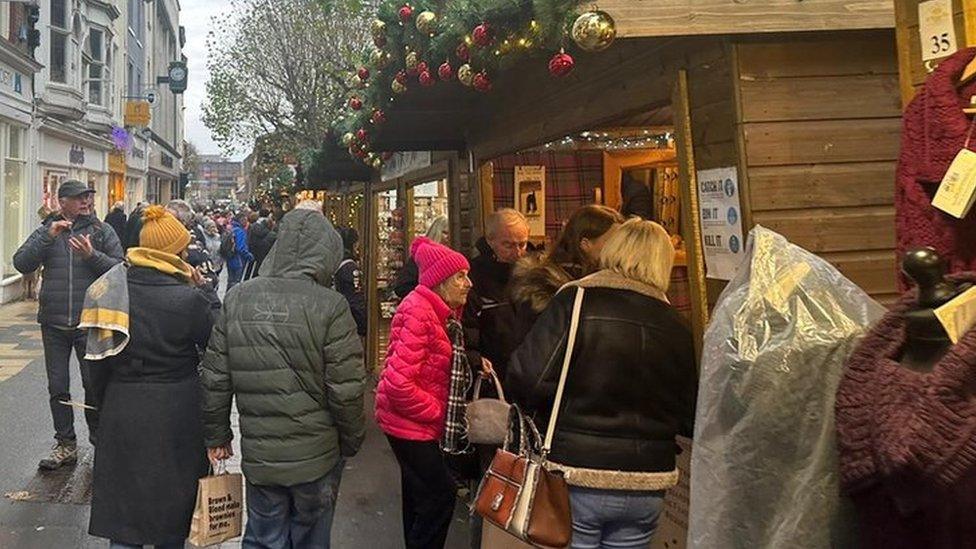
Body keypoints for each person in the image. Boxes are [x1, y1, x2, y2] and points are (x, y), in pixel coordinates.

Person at [507, 218, 698, 549]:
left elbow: (527, 376)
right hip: (648, 481)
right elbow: (690, 414)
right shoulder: (678, 325)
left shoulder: (578, 300)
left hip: (578, 473)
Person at [201, 204, 366, 549]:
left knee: (263, 538)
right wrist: (350, 440)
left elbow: (216, 376)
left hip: (261, 455)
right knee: (311, 539)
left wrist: (217, 434)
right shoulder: (331, 306)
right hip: (317, 454)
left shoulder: (238, 298)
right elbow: (346, 389)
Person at [87, 206, 214, 549]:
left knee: (124, 516)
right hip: (177, 412)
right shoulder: (189, 299)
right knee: (172, 517)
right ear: (172, 253)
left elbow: (95, 365)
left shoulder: (110, 291)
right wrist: (207, 293)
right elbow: (216, 348)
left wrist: (103, 409)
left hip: (123, 408)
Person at [375, 236, 481, 549]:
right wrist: (438, 411)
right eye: (460, 276)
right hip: (409, 426)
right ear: (439, 281)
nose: (468, 283)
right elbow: (397, 383)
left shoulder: (436, 311)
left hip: (410, 424)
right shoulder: (420, 312)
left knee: (419, 496)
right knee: (440, 496)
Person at [13, 180, 124, 470]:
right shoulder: (47, 231)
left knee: (93, 384)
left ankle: (100, 442)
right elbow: (22, 263)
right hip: (54, 323)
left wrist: (91, 256)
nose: (86, 202)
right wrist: (47, 236)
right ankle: (65, 444)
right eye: (79, 198)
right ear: (62, 202)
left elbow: (119, 269)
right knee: (58, 386)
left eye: (88, 197)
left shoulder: (101, 231)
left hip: (89, 323)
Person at [510, 205, 623, 340]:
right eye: (612, 242)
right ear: (585, 244)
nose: (619, 248)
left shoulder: (610, 281)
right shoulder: (544, 288)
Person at [463, 208, 530, 384]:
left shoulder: (532, 274)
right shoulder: (473, 276)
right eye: (508, 245)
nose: (517, 252)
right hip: (491, 374)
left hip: (527, 372)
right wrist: (475, 360)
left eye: (522, 244)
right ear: (490, 241)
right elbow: (467, 327)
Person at [391, 216, 449, 299]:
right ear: (436, 233)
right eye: (445, 233)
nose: (448, 237)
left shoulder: (452, 257)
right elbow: (402, 286)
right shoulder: (421, 255)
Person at [335, 227, 367, 339]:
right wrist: (363, 327)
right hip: (349, 326)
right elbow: (356, 300)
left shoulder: (334, 264)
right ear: (353, 244)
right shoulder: (350, 268)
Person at [224, 212, 254, 291]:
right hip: (238, 259)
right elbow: (240, 248)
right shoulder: (240, 231)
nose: (246, 222)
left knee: (230, 280)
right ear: (241, 220)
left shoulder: (231, 229)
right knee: (236, 282)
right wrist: (249, 256)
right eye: (245, 220)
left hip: (230, 258)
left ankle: (227, 296)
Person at [245, 209, 277, 280]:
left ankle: (246, 279)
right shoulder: (269, 228)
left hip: (253, 248)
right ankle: (254, 278)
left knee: (249, 267)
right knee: (258, 267)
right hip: (262, 250)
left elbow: (249, 238)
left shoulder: (253, 226)